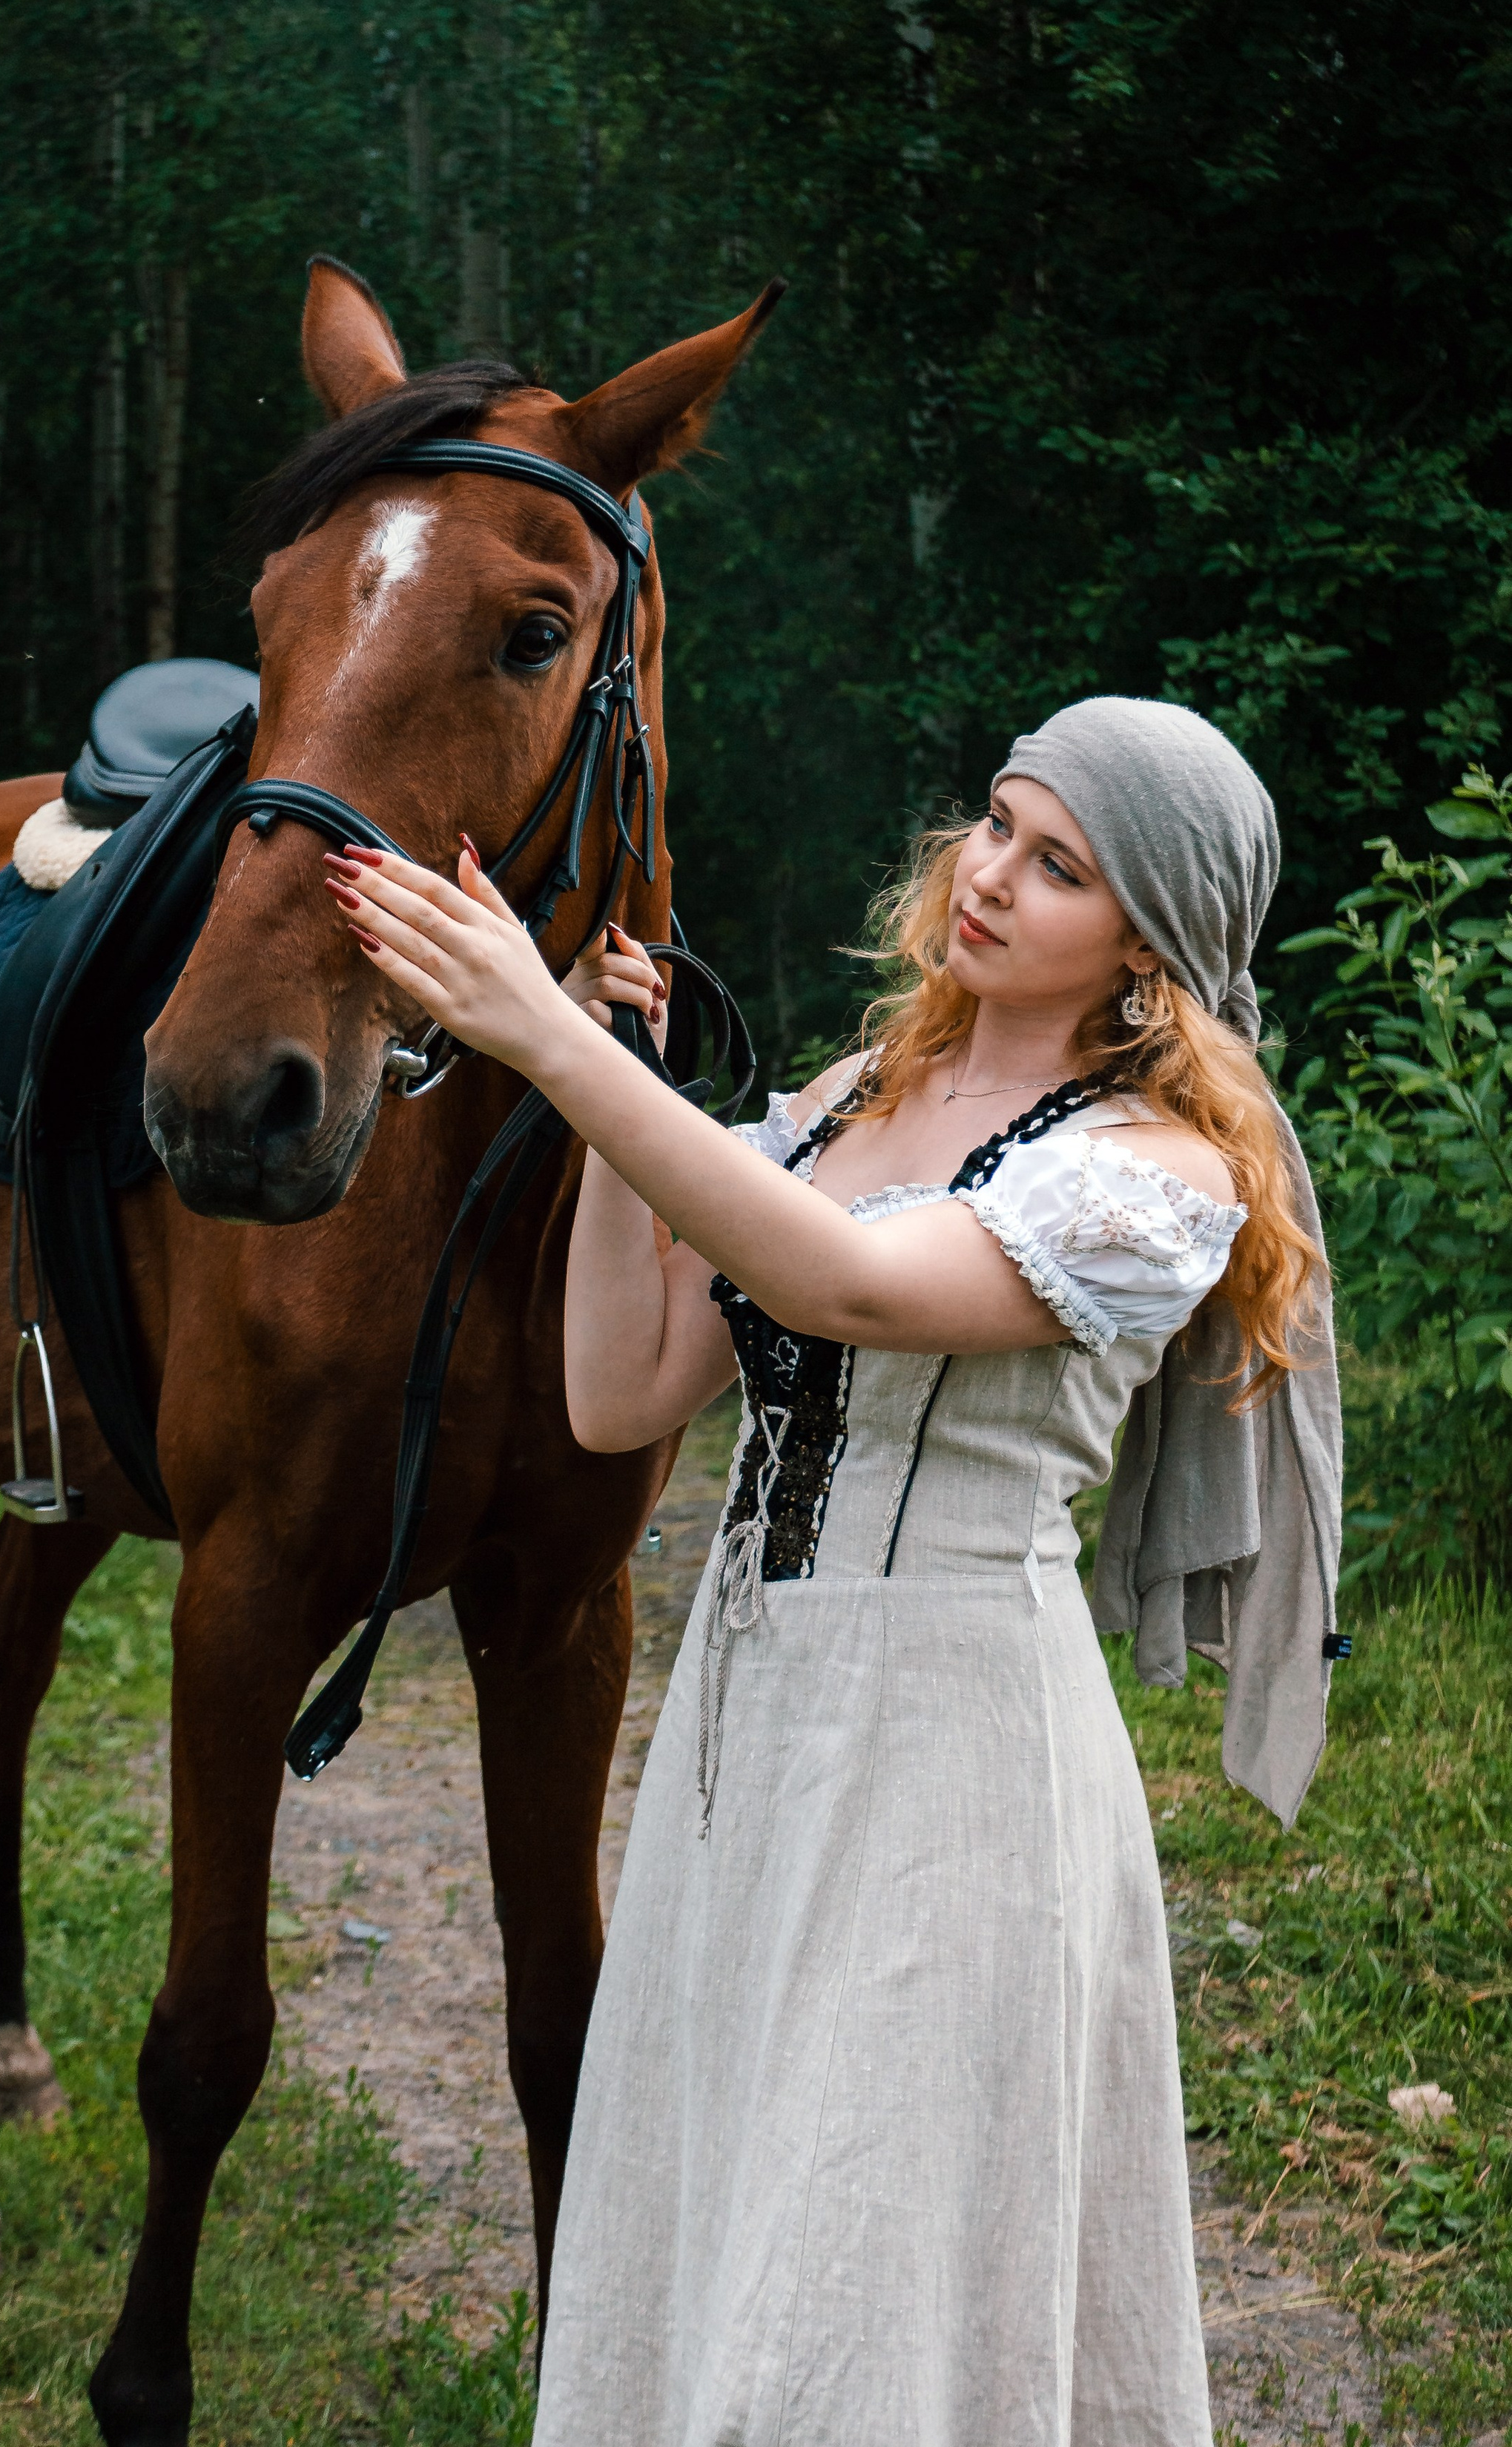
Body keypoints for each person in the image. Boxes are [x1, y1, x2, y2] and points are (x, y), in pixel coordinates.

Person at [323, 695, 1344, 2447]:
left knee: (865, 2243)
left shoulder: (1152, 1176)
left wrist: (543, 1046)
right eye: (997, 827)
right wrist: (596, 1092)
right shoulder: (851, 1100)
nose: (992, 877)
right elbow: (618, 1386)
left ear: (1147, 950)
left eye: (1060, 866)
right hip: (752, 1738)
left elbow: (846, 1291)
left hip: (955, 1756)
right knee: (739, 2199)